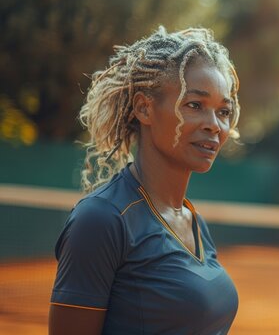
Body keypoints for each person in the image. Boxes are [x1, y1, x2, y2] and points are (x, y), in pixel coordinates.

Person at [49, 27, 241, 335]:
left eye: (223, 111)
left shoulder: (192, 221)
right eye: (195, 105)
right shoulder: (102, 218)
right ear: (144, 108)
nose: (215, 126)